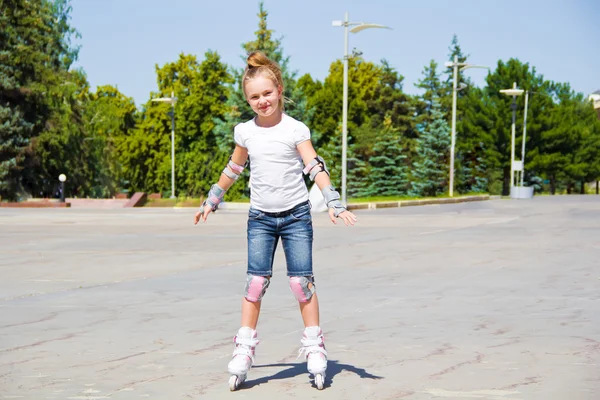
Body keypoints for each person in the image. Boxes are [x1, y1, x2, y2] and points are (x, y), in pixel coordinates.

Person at [194, 51, 357, 391]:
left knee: (301, 283)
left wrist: (333, 201)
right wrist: (212, 199)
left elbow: (314, 166)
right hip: (261, 219)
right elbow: (233, 169)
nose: (261, 101)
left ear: (280, 89)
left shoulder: (296, 129)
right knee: (255, 283)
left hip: (296, 216)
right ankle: (244, 349)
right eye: (254, 97)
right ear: (248, 99)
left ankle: (314, 346)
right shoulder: (245, 132)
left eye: (267, 93)